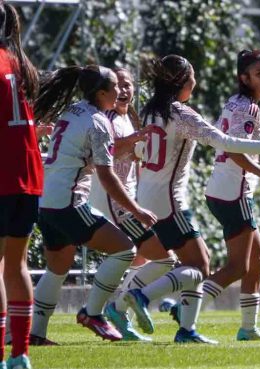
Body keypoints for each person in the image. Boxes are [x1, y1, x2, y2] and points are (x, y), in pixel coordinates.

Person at [123, 54, 260, 344]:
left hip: (148, 196)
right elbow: (226, 144)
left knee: (253, 260)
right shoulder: (180, 113)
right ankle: (147, 301)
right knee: (203, 266)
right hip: (185, 198)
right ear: (183, 82)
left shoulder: (149, 111)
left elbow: (139, 153)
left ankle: (172, 320)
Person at [29, 68, 175, 344]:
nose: (120, 92)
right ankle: (93, 313)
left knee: (57, 267)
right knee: (125, 249)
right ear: (101, 93)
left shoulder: (74, 110)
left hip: (47, 200)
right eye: (114, 88)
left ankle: (36, 334)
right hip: (69, 201)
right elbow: (106, 176)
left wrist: (131, 143)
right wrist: (137, 209)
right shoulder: (99, 122)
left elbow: (101, 155)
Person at [202, 49, 260, 341]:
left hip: (224, 190)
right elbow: (235, 151)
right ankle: (186, 309)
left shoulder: (238, 103)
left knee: (258, 260)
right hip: (233, 192)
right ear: (243, 77)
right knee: (239, 266)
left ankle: (248, 328)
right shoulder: (247, 108)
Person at [0, 2, 42, 369]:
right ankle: (21, 355)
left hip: (2, 175)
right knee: (16, 266)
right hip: (29, 177)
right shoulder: (20, 63)